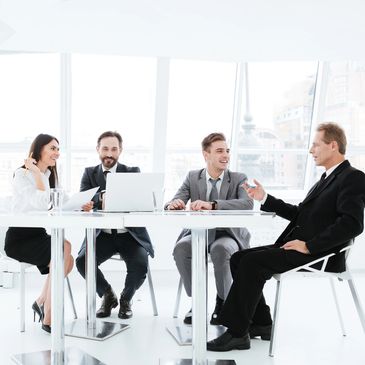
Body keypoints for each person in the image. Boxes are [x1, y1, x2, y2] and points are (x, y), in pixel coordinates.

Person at [207, 122, 365, 351]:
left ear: (333, 145)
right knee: (240, 258)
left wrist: (309, 246)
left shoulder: (353, 177)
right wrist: (265, 198)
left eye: (315, 145)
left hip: (321, 253)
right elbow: (299, 214)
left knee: (252, 262)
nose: (311, 150)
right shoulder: (325, 179)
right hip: (300, 246)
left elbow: (352, 224)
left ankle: (237, 332)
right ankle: (261, 323)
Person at [4, 134, 93, 333]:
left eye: (58, 149)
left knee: (66, 257)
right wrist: (36, 171)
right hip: (19, 239)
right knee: (65, 250)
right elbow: (44, 202)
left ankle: (42, 302)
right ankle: (49, 316)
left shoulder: (50, 175)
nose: (57, 153)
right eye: (53, 148)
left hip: (39, 236)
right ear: (39, 149)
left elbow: (63, 201)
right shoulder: (22, 174)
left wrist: (80, 205)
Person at [165, 132, 253, 325]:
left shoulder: (238, 178)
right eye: (220, 151)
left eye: (227, 151)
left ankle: (223, 302)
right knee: (181, 248)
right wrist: (175, 203)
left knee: (220, 250)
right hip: (199, 233)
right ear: (206, 155)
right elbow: (175, 198)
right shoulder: (192, 177)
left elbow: (247, 204)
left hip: (227, 233)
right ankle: (197, 300)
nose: (226, 156)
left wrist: (213, 204)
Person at [75, 131, 154, 319]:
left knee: (140, 264)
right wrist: (99, 199)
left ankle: (126, 299)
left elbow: (137, 198)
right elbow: (85, 197)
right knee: (82, 262)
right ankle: (107, 295)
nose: (109, 153)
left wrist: (101, 199)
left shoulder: (132, 171)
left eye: (114, 149)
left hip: (130, 234)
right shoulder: (89, 173)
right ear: (97, 149)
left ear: (120, 150)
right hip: (102, 235)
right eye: (105, 148)